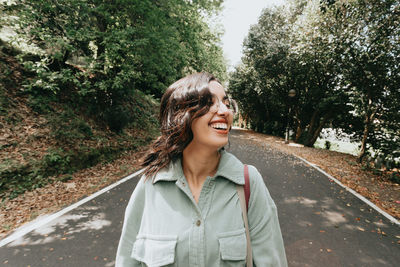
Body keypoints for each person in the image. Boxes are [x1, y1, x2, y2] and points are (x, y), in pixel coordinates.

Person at [116, 72, 287, 266]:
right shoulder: (151, 185)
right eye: (209, 102)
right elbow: (126, 260)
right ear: (181, 115)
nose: (225, 111)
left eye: (226, 103)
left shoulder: (248, 183)